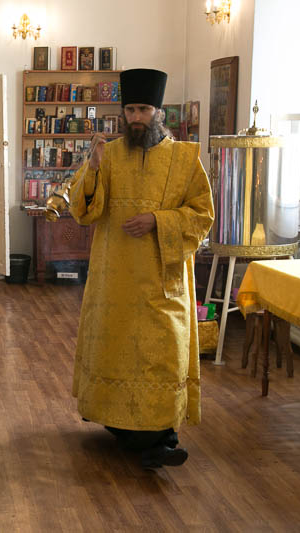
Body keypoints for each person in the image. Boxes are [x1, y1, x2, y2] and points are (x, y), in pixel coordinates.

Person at [67, 68, 214, 468]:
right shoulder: (109, 154)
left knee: (162, 355)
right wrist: (93, 167)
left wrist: (158, 221)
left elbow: (203, 214)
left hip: (163, 279)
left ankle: (162, 438)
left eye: (143, 110)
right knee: (117, 354)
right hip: (114, 282)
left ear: (158, 112)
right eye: (130, 109)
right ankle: (128, 432)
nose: (135, 117)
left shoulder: (185, 159)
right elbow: (83, 211)